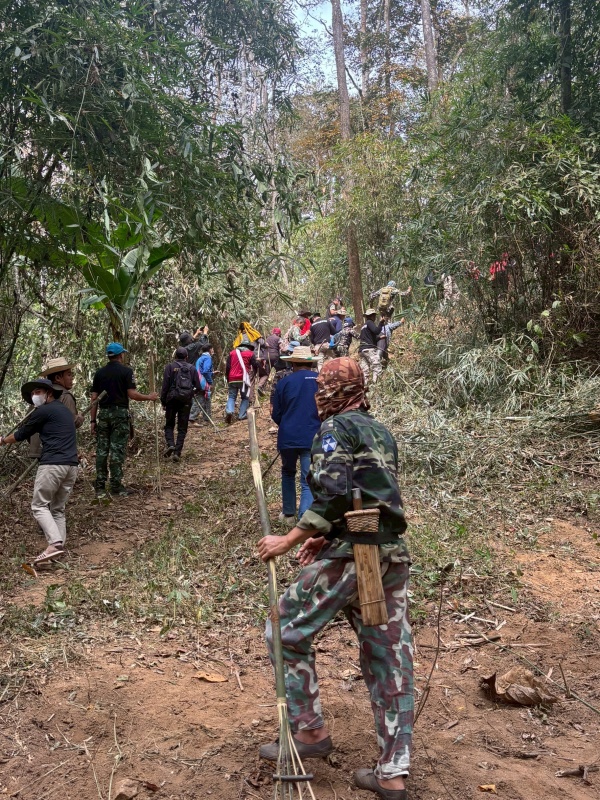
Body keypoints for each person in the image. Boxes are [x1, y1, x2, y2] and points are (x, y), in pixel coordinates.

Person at [257, 358, 412, 800]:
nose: (319, 395)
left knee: (283, 629)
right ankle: (393, 774)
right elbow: (367, 496)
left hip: (355, 556)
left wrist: (289, 538)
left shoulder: (334, 429)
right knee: (388, 658)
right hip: (388, 554)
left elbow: (333, 492)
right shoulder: (378, 430)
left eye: (323, 387)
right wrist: (324, 537)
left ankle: (309, 731)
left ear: (332, 392)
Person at [0, 378, 79, 565]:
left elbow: (21, 434)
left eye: (38, 392)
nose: (34, 396)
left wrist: (2, 440)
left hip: (53, 465)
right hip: (71, 466)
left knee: (39, 506)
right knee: (57, 509)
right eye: (33, 393)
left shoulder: (43, 411)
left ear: (49, 393)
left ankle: (55, 544)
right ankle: (57, 552)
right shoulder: (64, 411)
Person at [91, 342, 159, 498]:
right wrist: (149, 397)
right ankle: (116, 486)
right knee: (117, 450)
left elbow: (94, 399)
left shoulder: (99, 373)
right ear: (120, 355)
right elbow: (132, 394)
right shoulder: (126, 371)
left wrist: (92, 421)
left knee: (102, 450)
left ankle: (100, 486)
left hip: (103, 415)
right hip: (119, 415)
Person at [271, 345, 320, 523]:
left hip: (288, 436)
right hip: (312, 436)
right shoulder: (320, 381)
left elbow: (276, 414)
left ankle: (288, 513)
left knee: (288, 472)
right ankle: (304, 518)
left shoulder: (284, 382)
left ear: (292, 363)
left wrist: (287, 424)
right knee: (308, 478)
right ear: (311, 363)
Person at [29, 357, 84, 459]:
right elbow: (71, 423)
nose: (72, 378)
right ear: (58, 378)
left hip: (40, 450)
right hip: (57, 451)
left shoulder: (39, 395)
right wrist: (79, 418)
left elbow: (28, 423)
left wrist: (35, 443)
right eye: (69, 374)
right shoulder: (65, 396)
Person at [160, 346, 201, 462]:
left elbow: (165, 386)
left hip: (171, 399)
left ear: (175, 356)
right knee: (182, 427)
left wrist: (163, 401)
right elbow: (198, 387)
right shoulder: (192, 368)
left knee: (169, 425)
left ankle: (171, 444)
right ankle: (177, 452)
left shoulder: (170, 367)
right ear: (187, 357)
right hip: (186, 401)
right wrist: (191, 393)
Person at [224, 336, 257, 423]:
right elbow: (255, 365)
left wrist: (228, 377)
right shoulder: (250, 354)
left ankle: (229, 411)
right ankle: (241, 415)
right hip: (243, 379)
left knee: (232, 396)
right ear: (248, 347)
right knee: (245, 398)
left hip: (232, 378)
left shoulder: (232, 353)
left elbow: (227, 367)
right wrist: (255, 374)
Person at [190, 344, 214, 424]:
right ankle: (191, 417)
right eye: (212, 349)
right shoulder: (207, 358)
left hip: (198, 382)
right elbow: (205, 371)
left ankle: (206, 419)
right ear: (210, 350)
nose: (213, 351)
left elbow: (200, 370)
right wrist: (210, 382)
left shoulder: (200, 358)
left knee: (206, 400)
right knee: (202, 400)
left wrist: (212, 373)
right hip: (203, 383)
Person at [358, 308, 383, 386]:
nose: (375, 317)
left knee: (365, 370)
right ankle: (376, 385)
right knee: (376, 366)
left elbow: (371, 339)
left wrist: (380, 338)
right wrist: (381, 323)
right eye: (374, 316)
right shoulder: (369, 322)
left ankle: (364, 385)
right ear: (372, 316)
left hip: (362, 350)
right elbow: (376, 331)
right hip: (368, 349)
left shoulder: (364, 326)